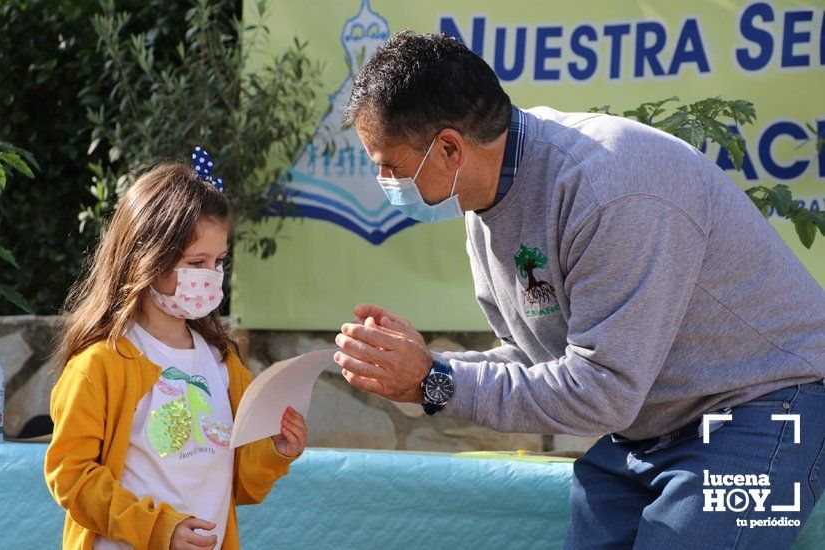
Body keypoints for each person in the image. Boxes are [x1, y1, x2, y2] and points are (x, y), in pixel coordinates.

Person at [334, 31, 825, 548]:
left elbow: (602, 389)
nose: (384, 180)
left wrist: (436, 381)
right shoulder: (486, 202)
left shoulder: (608, 187)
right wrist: (423, 366)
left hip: (762, 405)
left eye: (389, 164)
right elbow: (537, 361)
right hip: (649, 424)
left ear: (451, 147)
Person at [44, 152, 307, 550]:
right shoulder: (97, 366)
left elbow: (242, 485)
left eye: (218, 261)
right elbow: (71, 477)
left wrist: (274, 451)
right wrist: (158, 528)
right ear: (145, 259)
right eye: (195, 261)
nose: (210, 275)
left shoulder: (224, 364)